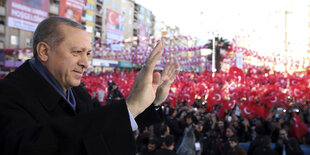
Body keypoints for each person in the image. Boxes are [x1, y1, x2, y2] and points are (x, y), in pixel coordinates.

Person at [0, 16, 179, 154]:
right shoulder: (7, 95)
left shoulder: (79, 94)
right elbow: (42, 145)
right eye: (77, 52)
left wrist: (150, 103)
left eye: (88, 54)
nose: (86, 63)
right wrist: (131, 106)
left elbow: (100, 126)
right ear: (44, 51)